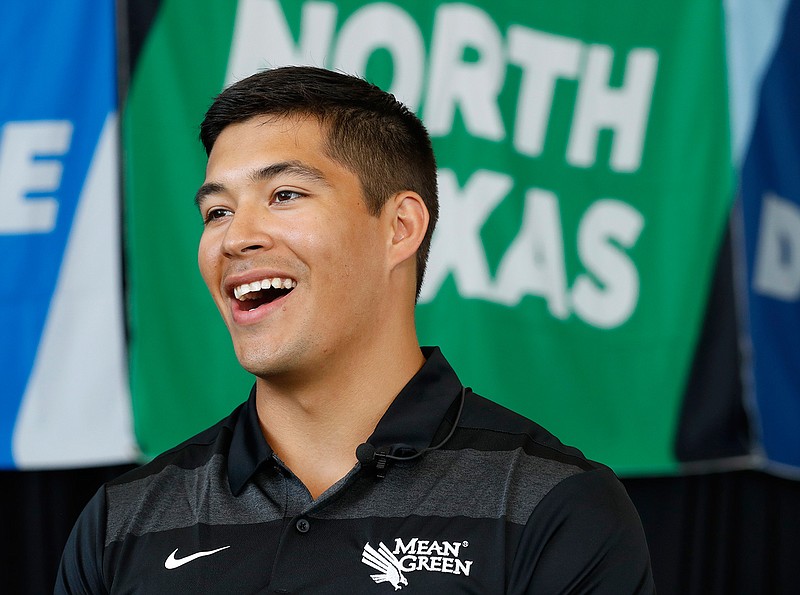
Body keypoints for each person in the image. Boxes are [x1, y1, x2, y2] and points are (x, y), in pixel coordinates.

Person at [56, 66, 654, 594]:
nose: (235, 237)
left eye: (284, 194)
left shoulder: (554, 506)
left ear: (399, 228)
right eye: (218, 211)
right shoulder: (121, 522)